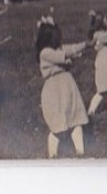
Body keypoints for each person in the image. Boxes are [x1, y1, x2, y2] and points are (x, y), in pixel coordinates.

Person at [36, 19, 89, 157]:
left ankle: (80, 152)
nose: (59, 40)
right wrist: (72, 55)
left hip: (66, 86)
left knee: (75, 119)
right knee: (57, 126)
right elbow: (64, 54)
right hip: (54, 90)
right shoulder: (45, 53)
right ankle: (52, 155)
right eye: (57, 37)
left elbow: (70, 48)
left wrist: (85, 44)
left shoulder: (56, 49)